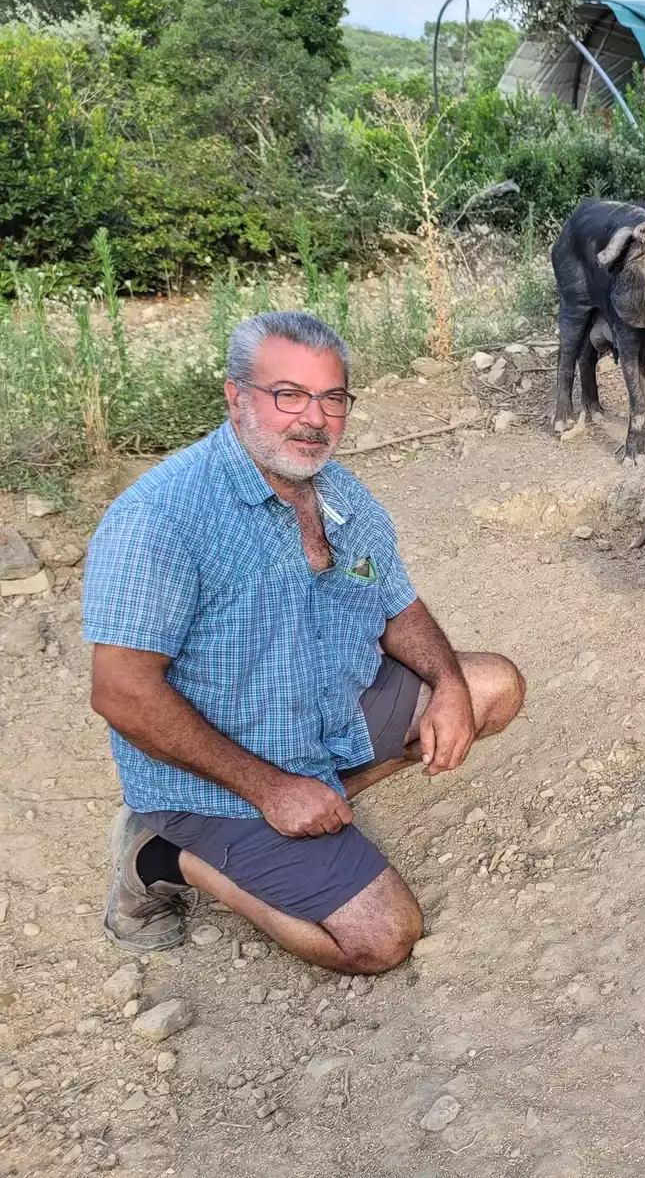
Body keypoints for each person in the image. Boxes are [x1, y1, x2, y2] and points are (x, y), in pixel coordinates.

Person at [83, 312, 525, 973]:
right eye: (288, 394)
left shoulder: (338, 491)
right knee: (382, 938)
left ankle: (323, 797)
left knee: (493, 687)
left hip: (318, 720)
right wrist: (272, 791)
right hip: (218, 773)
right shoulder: (162, 518)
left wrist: (451, 686)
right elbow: (121, 693)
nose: (313, 419)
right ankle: (163, 857)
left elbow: (395, 605)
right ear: (236, 397)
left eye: (332, 398)